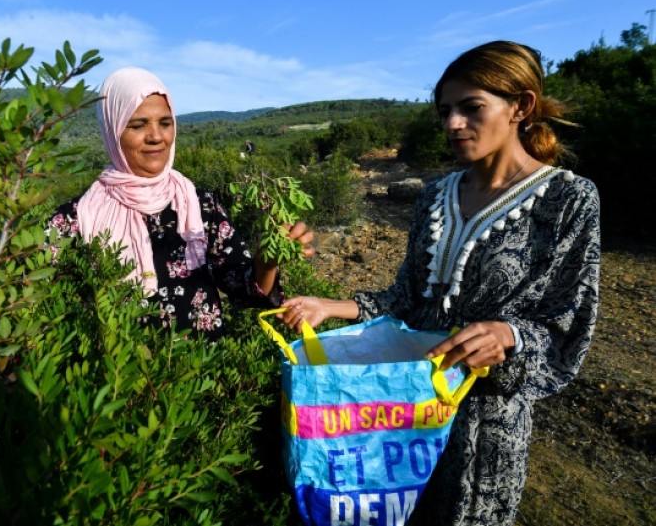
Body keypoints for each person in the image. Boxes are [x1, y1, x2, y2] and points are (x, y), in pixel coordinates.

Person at [280, 41, 600, 526]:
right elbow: (406, 301)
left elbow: (568, 325)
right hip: (404, 410)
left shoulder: (568, 199)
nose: (453, 124)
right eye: (445, 111)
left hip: (484, 427)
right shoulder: (434, 197)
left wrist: (508, 336)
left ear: (522, 106)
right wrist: (331, 307)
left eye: (471, 108)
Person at [47, 67, 313, 341]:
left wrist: (266, 262)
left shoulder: (198, 206)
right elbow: (36, 311)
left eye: (165, 122)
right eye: (138, 125)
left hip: (203, 377)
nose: (156, 136)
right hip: (115, 380)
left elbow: (243, 288)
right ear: (112, 130)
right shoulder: (76, 220)